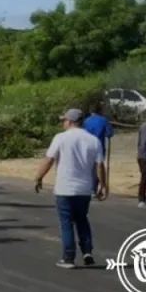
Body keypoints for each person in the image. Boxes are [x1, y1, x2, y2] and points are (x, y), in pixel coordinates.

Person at [34, 108, 106, 269]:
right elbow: (100, 165)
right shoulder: (93, 140)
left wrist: (39, 177)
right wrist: (103, 184)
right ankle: (87, 252)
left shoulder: (60, 138)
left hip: (65, 188)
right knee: (82, 219)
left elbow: (48, 160)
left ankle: (68, 257)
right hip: (84, 189)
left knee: (66, 223)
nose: (63, 123)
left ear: (71, 121)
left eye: (64, 120)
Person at [82, 103, 114, 196]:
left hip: (86, 146)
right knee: (97, 166)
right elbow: (110, 134)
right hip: (99, 145)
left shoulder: (86, 121)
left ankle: (90, 187)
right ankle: (93, 189)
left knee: (89, 166)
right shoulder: (103, 120)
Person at [138, 119, 146, 208]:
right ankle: (141, 198)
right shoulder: (144, 127)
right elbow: (143, 143)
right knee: (144, 177)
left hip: (142, 155)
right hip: (144, 156)